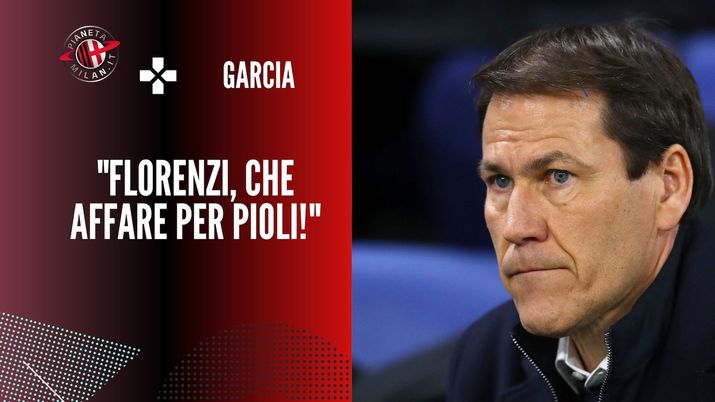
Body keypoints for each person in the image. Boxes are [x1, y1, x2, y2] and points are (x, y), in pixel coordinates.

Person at [448, 21, 715, 402]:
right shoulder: (486, 361)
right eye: (500, 181)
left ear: (668, 187)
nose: (516, 227)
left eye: (559, 176)